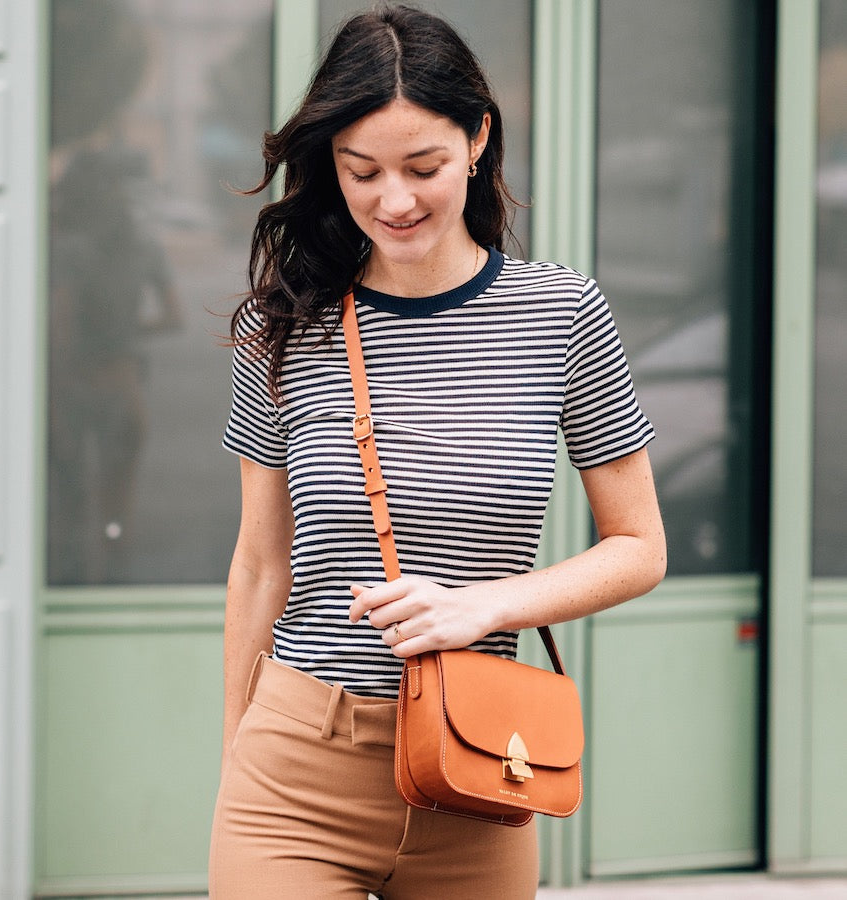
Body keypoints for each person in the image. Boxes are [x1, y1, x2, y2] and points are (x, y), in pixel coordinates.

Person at [209, 5, 666, 898]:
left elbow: (640, 547)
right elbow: (261, 565)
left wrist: (483, 605)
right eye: (361, 171)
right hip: (297, 767)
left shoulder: (561, 314)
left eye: (424, 167)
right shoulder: (288, 327)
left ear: (478, 138)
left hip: (480, 767)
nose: (396, 200)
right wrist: (236, 756)